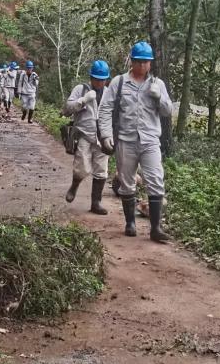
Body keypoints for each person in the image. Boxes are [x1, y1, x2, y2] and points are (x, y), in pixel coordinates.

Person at [97, 41, 173, 242]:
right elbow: (105, 109)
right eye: (138, 62)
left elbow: (167, 111)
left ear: (151, 64)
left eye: (146, 62)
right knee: (127, 182)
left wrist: (159, 98)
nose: (142, 66)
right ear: (132, 61)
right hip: (126, 140)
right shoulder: (119, 82)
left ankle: (155, 227)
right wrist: (106, 135)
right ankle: (130, 222)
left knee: (156, 180)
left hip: (149, 140)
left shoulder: (158, 84)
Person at [62, 60, 112, 215]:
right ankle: (74, 185)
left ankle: (95, 203)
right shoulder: (80, 89)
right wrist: (82, 101)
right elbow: (66, 109)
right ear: (91, 77)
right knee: (81, 168)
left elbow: (114, 114)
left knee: (101, 170)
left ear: (106, 79)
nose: (99, 82)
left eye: (102, 79)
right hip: (83, 134)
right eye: (96, 78)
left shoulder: (110, 93)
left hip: (102, 136)